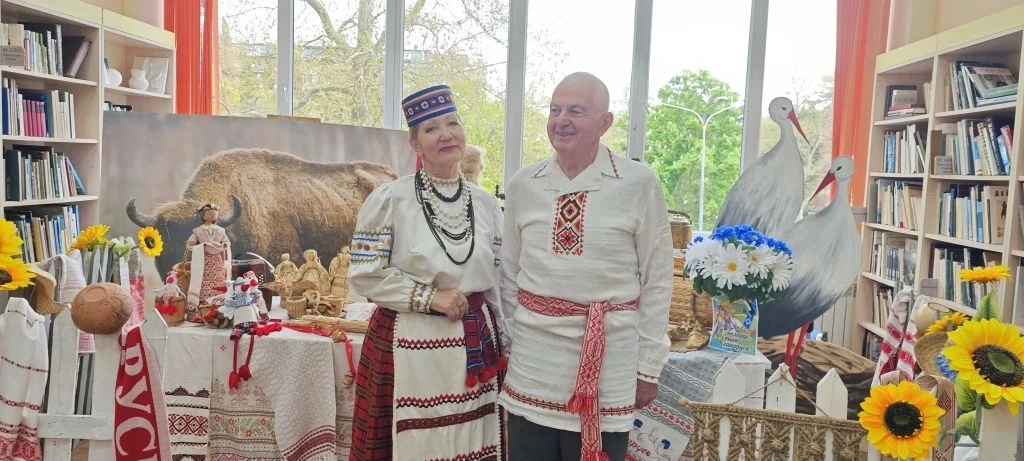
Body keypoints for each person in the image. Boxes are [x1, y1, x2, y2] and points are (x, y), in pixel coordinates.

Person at [498, 72, 673, 461]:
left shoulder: (638, 183)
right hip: (533, 366)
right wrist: (514, 341)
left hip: (609, 367)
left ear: (605, 122)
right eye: (555, 110)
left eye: (575, 111)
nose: (561, 120)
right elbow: (508, 275)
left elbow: (658, 279)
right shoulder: (524, 184)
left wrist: (648, 367)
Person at [348, 84, 507, 461]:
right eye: (431, 128)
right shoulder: (390, 199)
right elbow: (365, 274)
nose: (446, 134)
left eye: (453, 123)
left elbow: (499, 281)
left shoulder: (487, 205)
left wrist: (507, 339)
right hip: (405, 346)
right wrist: (429, 297)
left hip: (475, 350)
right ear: (414, 143)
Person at [184, 203, 232, 318]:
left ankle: (218, 306)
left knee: (219, 280)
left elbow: (227, 242)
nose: (211, 215)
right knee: (202, 280)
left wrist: (222, 246)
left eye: (213, 213)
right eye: (208, 213)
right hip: (203, 261)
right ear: (202, 215)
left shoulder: (220, 230)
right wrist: (202, 247)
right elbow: (189, 245)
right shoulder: (198, 231)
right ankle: (203, 308)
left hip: (217, 261)